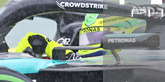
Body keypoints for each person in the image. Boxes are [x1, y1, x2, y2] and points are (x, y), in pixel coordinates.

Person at [15, 14, 146, 59]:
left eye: (96, 37)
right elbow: (71, 57)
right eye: (88, 37)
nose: (91, 42)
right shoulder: (79, 59)